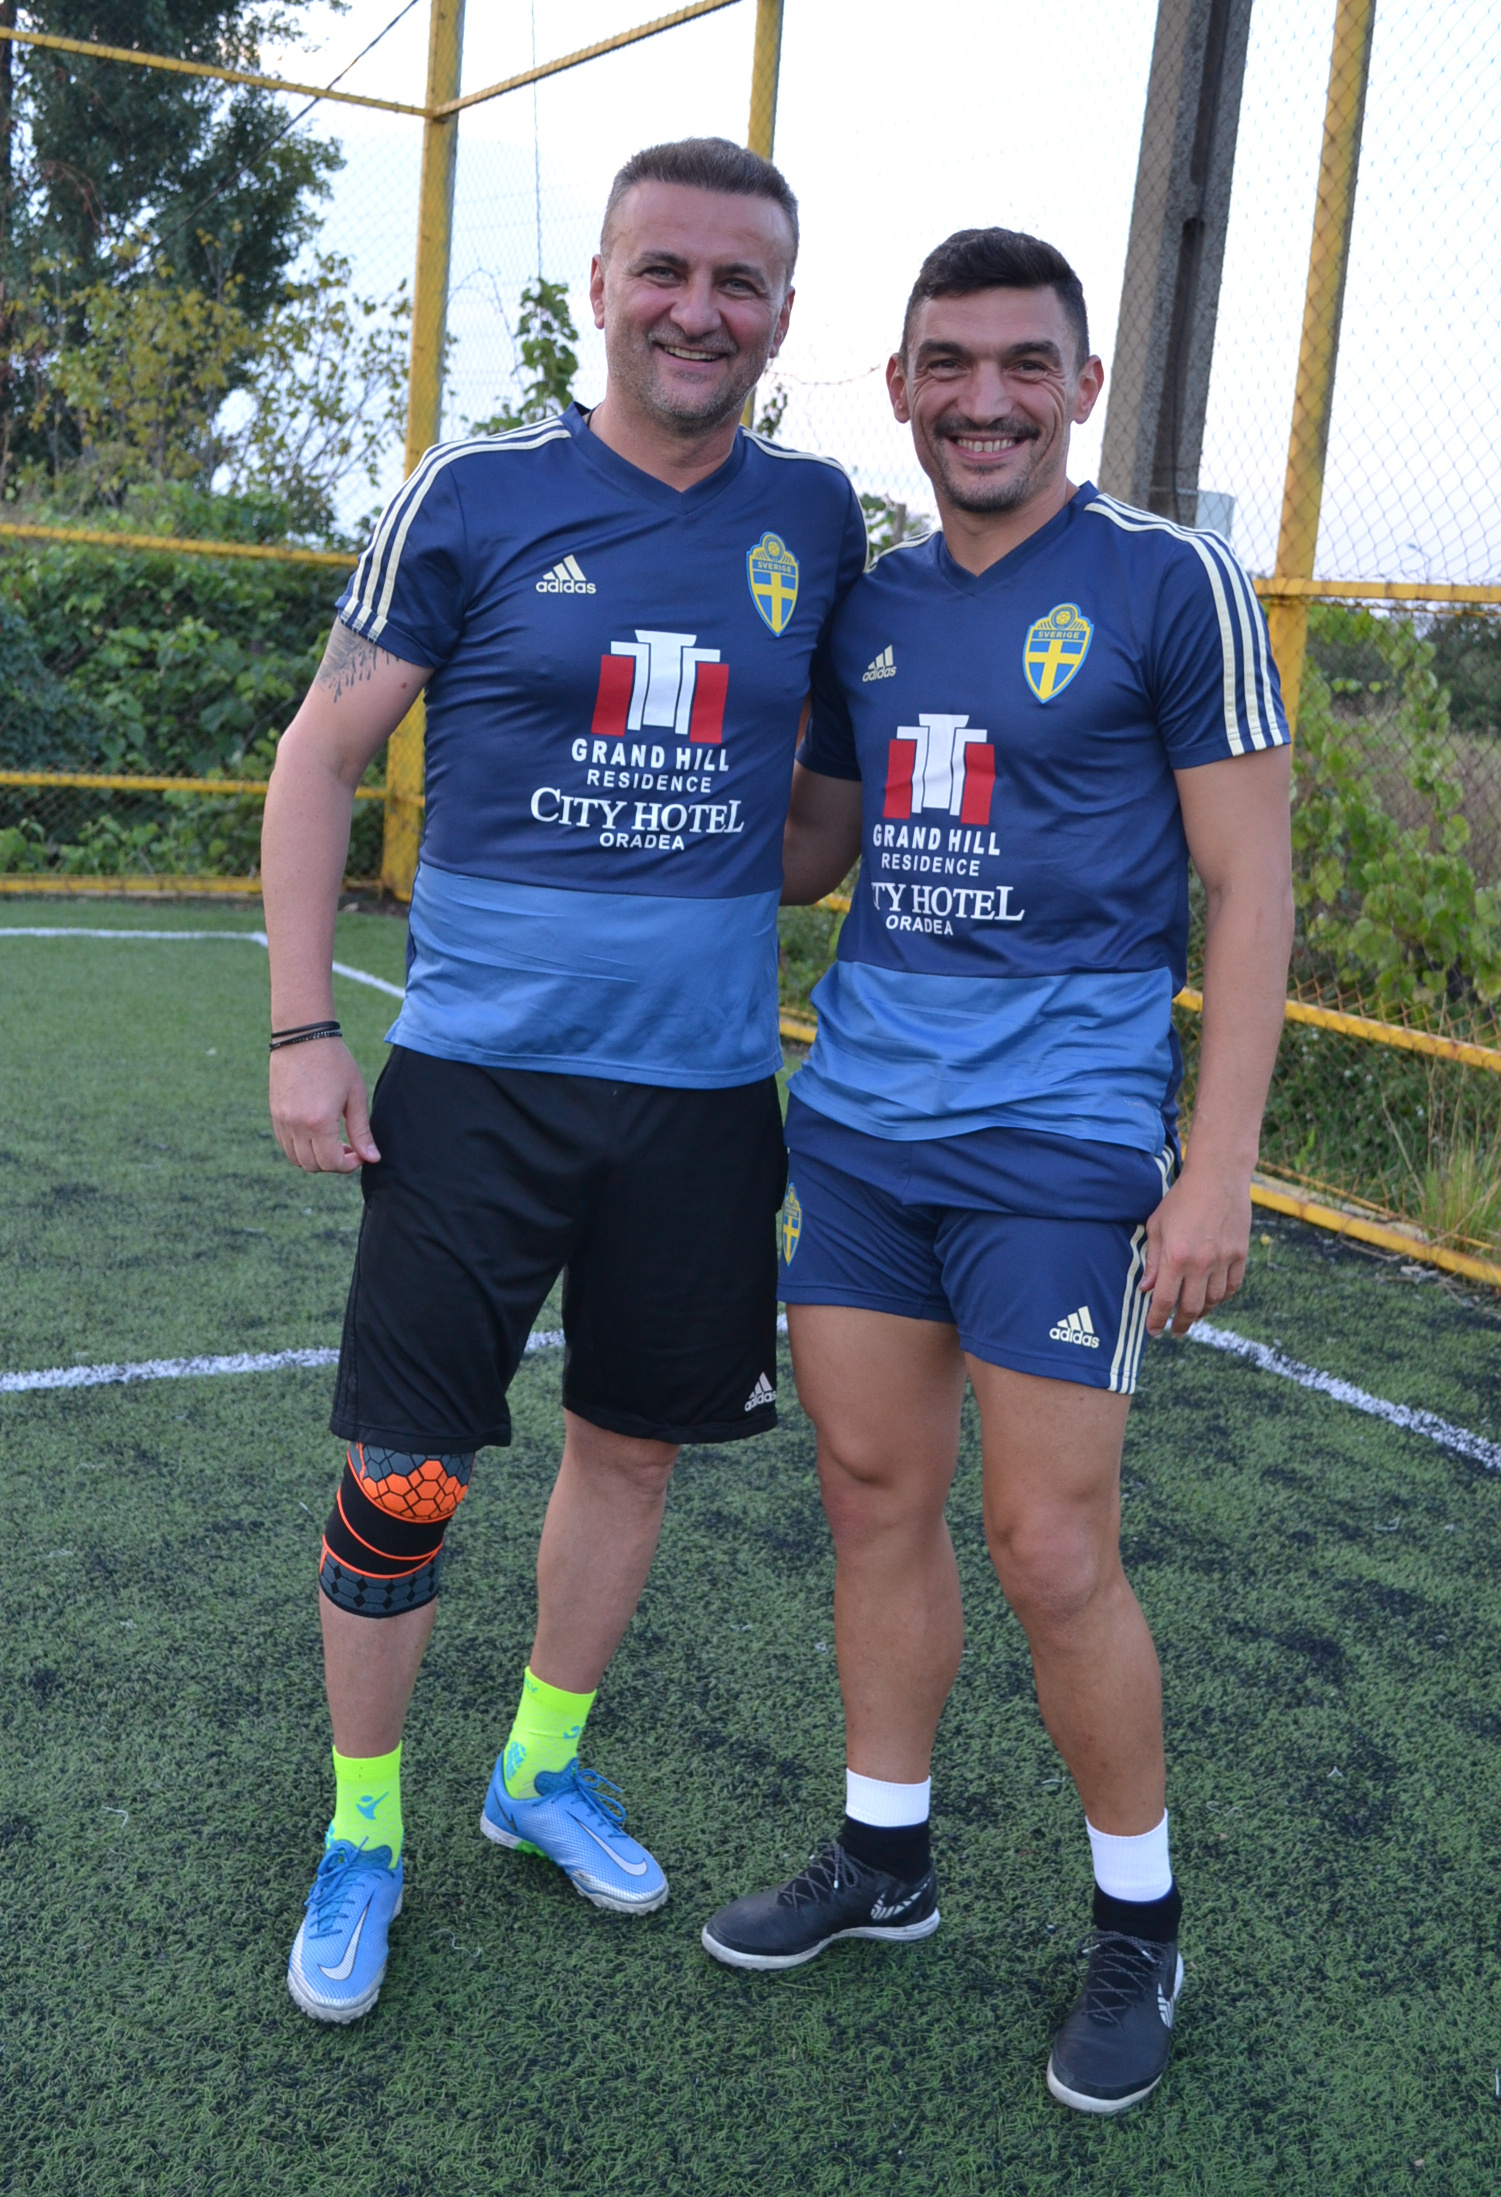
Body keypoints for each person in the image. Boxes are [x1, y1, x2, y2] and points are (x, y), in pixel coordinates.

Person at [262, 136, 868, 2024]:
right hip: (477, 1086)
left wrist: (727, 855)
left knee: (633, 1441)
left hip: (702, 1098)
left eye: (739, 280)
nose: (699, 308)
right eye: (663, 269)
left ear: (782, 313)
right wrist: (302, 1026)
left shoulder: (816, 516)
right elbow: (319, 758)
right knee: (407, 1466)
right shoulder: (477, 493)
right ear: (602, 286)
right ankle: (365, 1828)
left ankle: (536, 1767)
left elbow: (817, 818)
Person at [700, 228, 1293, 2116]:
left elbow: (1250, 886)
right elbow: (810, 848)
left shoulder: (1168, 582)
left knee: (1048, 1545)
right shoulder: (865, 606)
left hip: (1062, 1141)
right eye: (946, 365)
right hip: (865, 1127)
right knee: (872, 1495)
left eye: (1023, 364)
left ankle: (1139, 1920)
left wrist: (1218, 1166)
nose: (983, 400)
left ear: (1082, 385)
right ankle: (885, 1856)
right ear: (896, 388)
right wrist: (604, 759)